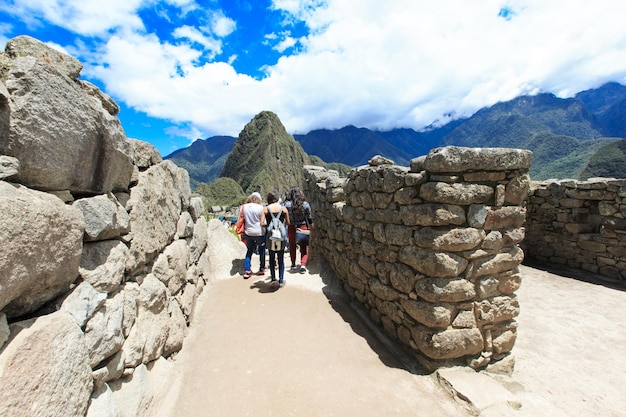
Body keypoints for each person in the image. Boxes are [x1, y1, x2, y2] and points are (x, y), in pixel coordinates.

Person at [261, 190, 290, 287]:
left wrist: (270, 226)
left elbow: (261, 224)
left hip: (270, 237)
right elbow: (288, 222)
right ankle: (281, 280)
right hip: (281, 237)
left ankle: (273, 278)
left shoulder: (265, 209)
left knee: (272, 257)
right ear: (277, 198)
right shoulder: (284, 209)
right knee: (281, 258)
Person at [285, 187, 314, 273]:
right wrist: (312, 230)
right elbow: (309, 219)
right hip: (302, 226)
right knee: (304, 246)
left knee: (292, 245)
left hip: (291, 227)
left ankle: (293, 263)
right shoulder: (305, 205)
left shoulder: (287, 205)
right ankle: (303, 264)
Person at [239, 192, 266, 278]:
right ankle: (261, 268)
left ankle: (247, 270)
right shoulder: (261, 208)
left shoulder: (243, 207)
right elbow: (263, 222)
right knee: (262, 250)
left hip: (248, 232)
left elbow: (240, 219)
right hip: (260, 233)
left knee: (249, 250)